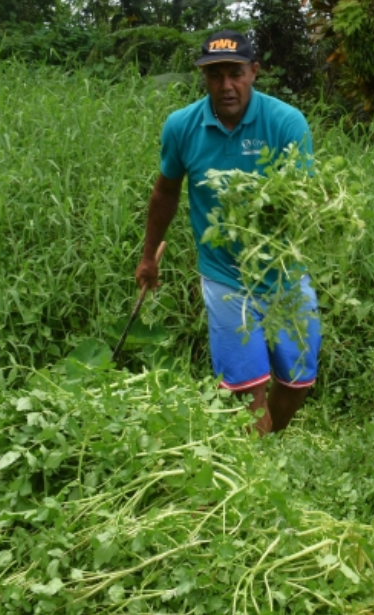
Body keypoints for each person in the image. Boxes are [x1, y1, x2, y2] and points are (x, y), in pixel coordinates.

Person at [134, 29, 321, 435]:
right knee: (247, 393)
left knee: (298, 380)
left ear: (254, 71)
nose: (226, 86)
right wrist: (148, 257)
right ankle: (258, 461)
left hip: (283, 273)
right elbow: (165, 192)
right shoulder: (182, 126)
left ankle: (269, 444)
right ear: (203, 78)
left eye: (235, 73)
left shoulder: (285, 122)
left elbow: (303, 198)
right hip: (225, 277)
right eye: (215, 75)